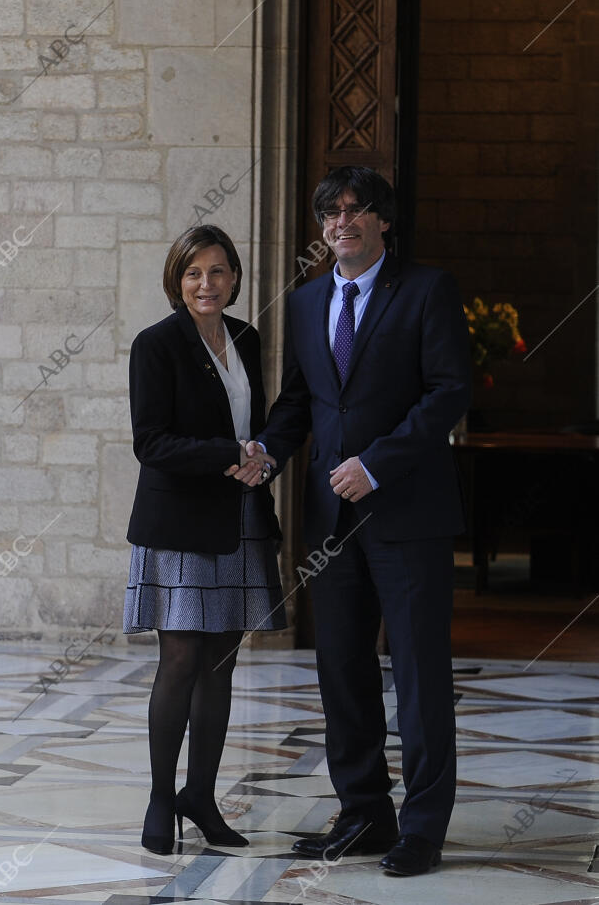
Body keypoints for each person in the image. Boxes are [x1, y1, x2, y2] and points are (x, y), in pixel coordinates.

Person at [229, 166, 471, 876]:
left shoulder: (426, 290)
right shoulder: (306, 302)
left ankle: (423, 828)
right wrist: (269, 453)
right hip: (330, 523)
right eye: (330, 213)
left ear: (383, 221)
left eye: (356, 209)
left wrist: (377, 463)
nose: (343, 222)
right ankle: (365, 813)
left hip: (408, 515)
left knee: (420, 675)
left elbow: (446, 393)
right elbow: (300, 402)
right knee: (342, 671)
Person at [124, 224, 286, 856]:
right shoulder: (156, 345)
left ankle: (201, 796)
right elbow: (151, 442)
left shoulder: (246, 337)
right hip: (181, 525)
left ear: (235, 277)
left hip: (242, 517)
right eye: (193, 273)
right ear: (177, 280)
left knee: (221, 664)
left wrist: (262, 457)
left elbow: (262, 424)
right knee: (181, 661)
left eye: (218, 272)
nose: (206, 284)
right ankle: (162, 800)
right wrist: (228, 454)